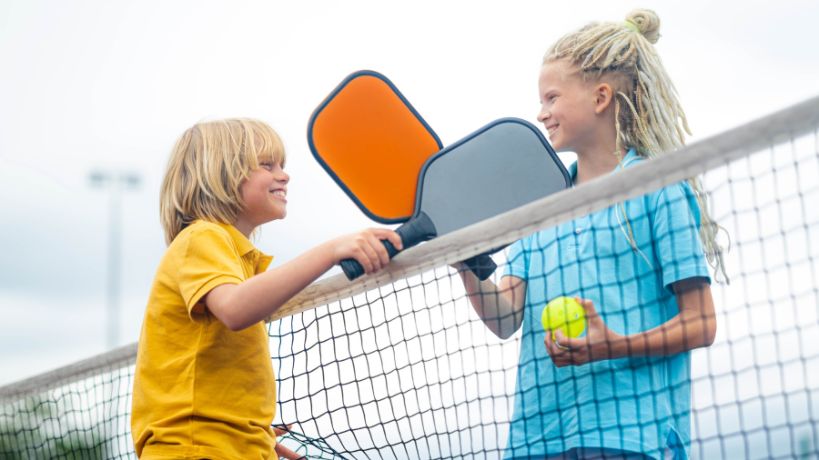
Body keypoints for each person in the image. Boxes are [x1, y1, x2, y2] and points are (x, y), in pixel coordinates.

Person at [456, 9, 726, 460]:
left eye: (552, 98)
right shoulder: (540, 206)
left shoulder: (659, 188)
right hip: (536, 442)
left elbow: (701, 321)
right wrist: (467, 266)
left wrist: (614, 347)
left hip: (632, 439)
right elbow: (505, 318)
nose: (541, 113)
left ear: (600, 97)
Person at [130, 118, 402, 459]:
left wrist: (255, 438)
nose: (283, 175)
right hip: (194, 448)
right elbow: (236, 309)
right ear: (220, 174)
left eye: (282, 165)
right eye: (266, 165)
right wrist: (332, 250)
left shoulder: (233, 257)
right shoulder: (201, 237)